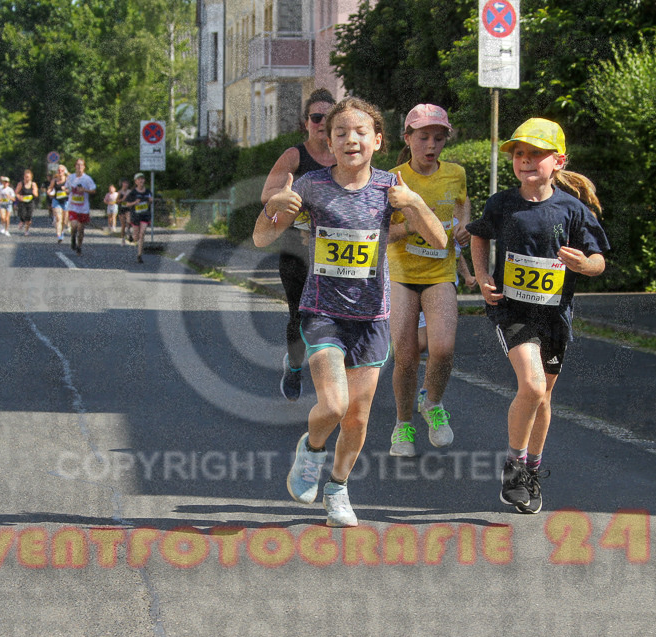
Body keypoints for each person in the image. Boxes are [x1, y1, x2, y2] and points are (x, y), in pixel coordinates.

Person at [258, 97, 446, 527]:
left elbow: (439, 242)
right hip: (322, 311)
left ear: (378, 141)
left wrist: (414, 203)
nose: (350, 140)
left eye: (360, 132)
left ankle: (338, 489)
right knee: (335, 405)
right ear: (328, 139)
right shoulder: (312, 185)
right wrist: (274, 209)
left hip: (372, 317)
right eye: (340, 132)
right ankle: (313, 449)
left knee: (359, 417)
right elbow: (260, 240)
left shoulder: (390, 188)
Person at [467, 118, 609, 515]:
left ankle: (531, 468)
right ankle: (513, 465)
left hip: (554, 316)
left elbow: (599, 260)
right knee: (530, 386)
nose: (526, 161)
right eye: (519, 154)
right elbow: (480, 235)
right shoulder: (501, 204)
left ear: (558, 161)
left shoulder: (574, 211)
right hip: (511, 310)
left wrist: (585, 265)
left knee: (544, 398)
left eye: (536, 154)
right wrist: (481, 277)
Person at [385, 104, 471, 456]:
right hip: (402, 275)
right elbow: (381, 231)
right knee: (405, 358)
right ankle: (402, 426)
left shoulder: (455, 173)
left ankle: (432, 403)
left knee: (443, 349)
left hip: (440, 273)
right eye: (423, 137)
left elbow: (462, 205)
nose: (431, 145)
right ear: (408, 138)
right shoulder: (393, 178)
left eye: (438, 138)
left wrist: (464, 227)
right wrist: (413, 225)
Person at [253, 88, 337, 402]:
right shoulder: (294, 156)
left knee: (337, 317)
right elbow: (266, 196)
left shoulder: (344, 153)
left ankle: (337, 378)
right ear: (306, 122)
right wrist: (291, 200)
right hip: (295, 250)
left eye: (329, 118)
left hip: (333, 253)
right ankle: (295, 365)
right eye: (316, 117)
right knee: (300, 315)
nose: (322, 123)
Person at [64, 158, 96, 255]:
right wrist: (68, 191)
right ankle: (73, 237)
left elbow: (93, 190)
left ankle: (79, 246)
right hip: (73, 206)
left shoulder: (87, 179)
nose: (79, 167)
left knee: (81, 229)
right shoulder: (70, 177)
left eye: (81, 165)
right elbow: (66, 188)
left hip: (83, 208)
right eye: (77, 165)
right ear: (75, 166)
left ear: (84, 167)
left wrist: (84, 190)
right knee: (74, 225)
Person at [123, 172, 153, 263]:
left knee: (142, 233)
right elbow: (126, 204)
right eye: (139, 179)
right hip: (135, 215)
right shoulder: (133, 192)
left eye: (142, 179)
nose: (141, 181)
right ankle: (131, 235)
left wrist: (151, 201)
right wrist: (134, 203)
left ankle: (139, 255)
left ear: (144, 180)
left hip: (145, 215)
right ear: (136, 181)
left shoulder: (148, 192)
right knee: (136, 237)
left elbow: (150, 201)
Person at [48, 164, 70, 243]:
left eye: (62, 170)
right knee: (58, 218)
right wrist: (49, 192)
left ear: (64, 171)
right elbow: (50, 189)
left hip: (66, 201)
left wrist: (66, 190)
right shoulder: (54, 180)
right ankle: (59, 235)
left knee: (64, 220)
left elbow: (72, 190)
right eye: (59, 170)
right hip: (56, 200)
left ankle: (62, 231)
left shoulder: (68, 180)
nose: (60, 172)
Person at [14, 169, 38, 236]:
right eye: (25, 177)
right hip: (22, 202)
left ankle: (26, 231)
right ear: (24, 177)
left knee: (29, 217)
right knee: (23, 214)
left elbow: (36, 194)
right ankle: (21, 221)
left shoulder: (33, 184)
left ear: (31, 177)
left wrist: (34, 192)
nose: (27, 178)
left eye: (28, 177)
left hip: (30, 202)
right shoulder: (21, 184)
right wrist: (19, 197)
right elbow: (16, 193)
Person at [116, 179, 132, 244]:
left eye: (127, 183)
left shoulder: (130, 192)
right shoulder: (120, 192)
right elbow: (117, 201)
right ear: (122, 184)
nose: (125, 185)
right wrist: (122, 199)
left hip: (128, 209)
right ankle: (123, 239)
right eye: (124, 183)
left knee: (129, 221)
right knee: (123, 225)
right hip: (121, 209)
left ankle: (128, 230)